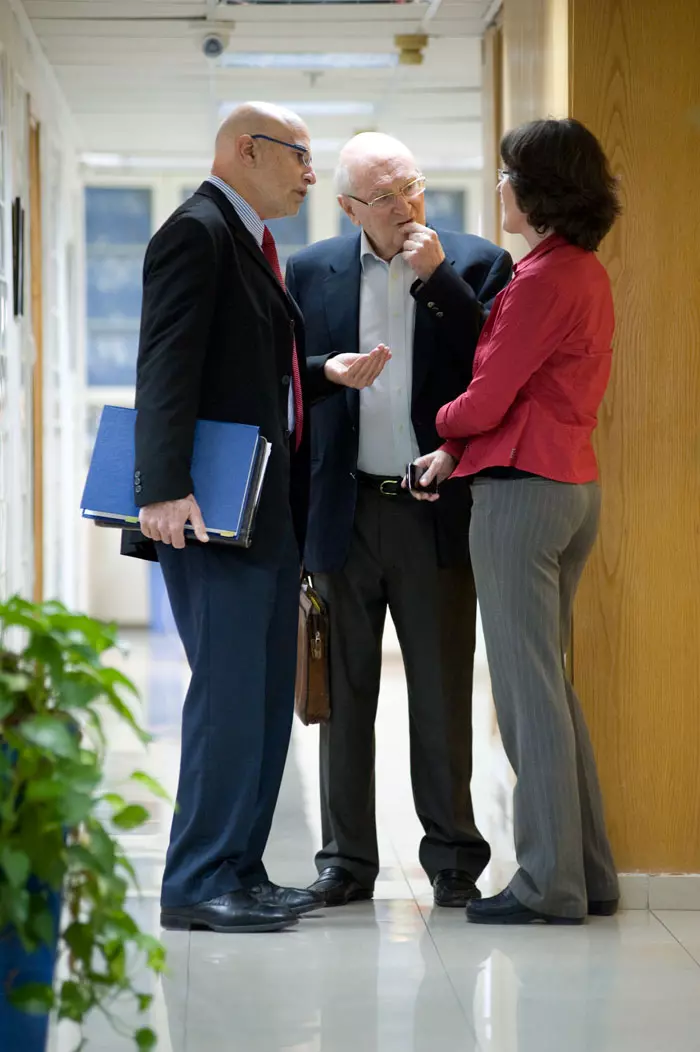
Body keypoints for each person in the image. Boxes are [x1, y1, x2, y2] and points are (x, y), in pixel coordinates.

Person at [122, 103, 390, 934]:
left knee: (270, 698)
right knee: (231, 697)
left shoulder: (247, 242)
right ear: (248, 149)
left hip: (264, 508)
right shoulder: (196, 232)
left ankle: (241, 866)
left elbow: (243, 368)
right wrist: (161, 488)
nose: (313, 175)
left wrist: (319, 371)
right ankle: (198, 880)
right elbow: (168, 364)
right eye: (302, 157)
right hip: (208, 508)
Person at [286, 132, 512, 909]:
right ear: (349, 208)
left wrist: (437, 277)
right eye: (384, 196)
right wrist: (327, 373)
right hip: (344, 511)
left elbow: (497, 361)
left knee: (442, 691)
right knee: (341, 694)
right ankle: (346, 861)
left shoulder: (476, 262)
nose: (405, 205)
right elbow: (290, 386)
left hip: (435, 515)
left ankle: (453, 855)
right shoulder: (310, 270)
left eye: (411, 186)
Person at [409, 117, 622, 924]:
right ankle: (588, 875)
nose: (497, 186)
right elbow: (528, 401)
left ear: (535, 191)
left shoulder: (539, 280)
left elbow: (488, 398)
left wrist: (440, 420)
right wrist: (456, 452)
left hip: (522, 500)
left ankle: (546, 885)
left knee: (529, 698)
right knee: (549, 691)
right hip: (569, 486)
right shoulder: (580, 272)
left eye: (505, 174)